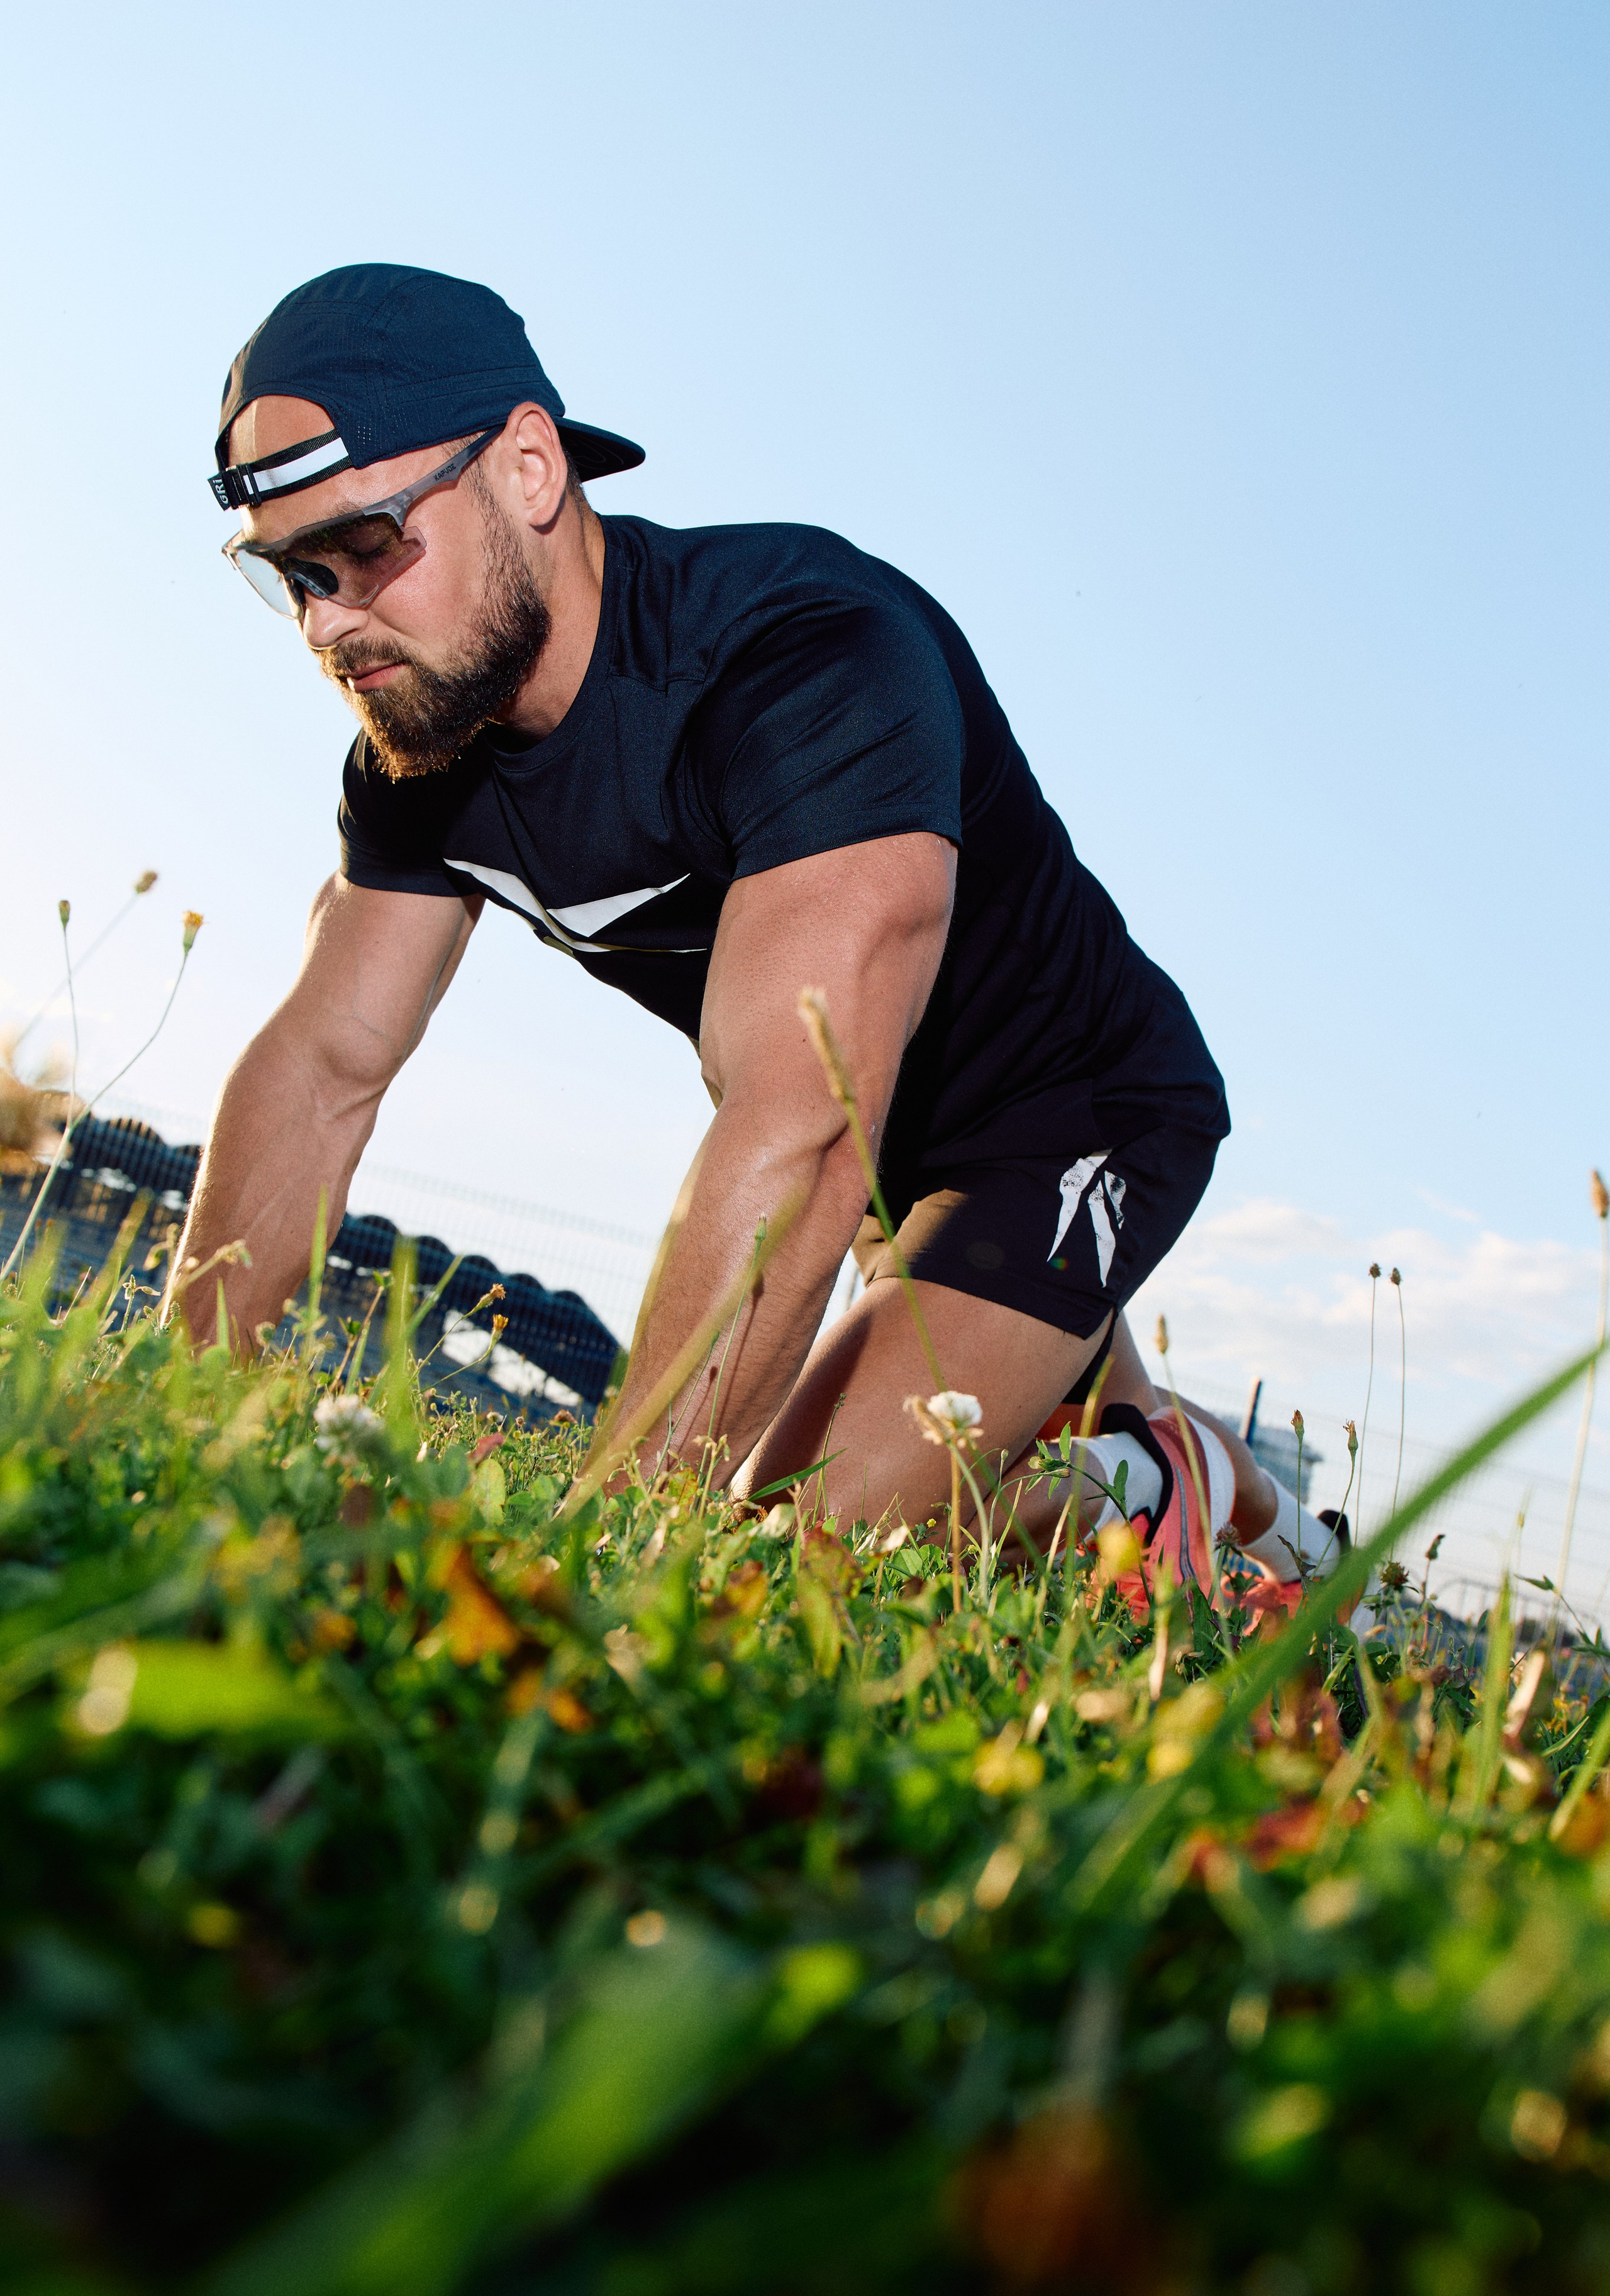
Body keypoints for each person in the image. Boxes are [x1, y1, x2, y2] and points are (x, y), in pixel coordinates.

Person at [172, 261, 1328, 1590]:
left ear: (530, 471)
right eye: (289, 577)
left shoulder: (807, 660)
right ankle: (1206, 1484)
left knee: (787, 1552)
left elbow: (800, 1119)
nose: (328, 622)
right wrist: (190, 1400)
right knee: (1002, 1417)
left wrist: (601, 1557)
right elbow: (326, 1064)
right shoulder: (419, 752)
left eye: (369, 547)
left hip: (1072, 1111)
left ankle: (1131, 1482)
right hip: (894, 1148)